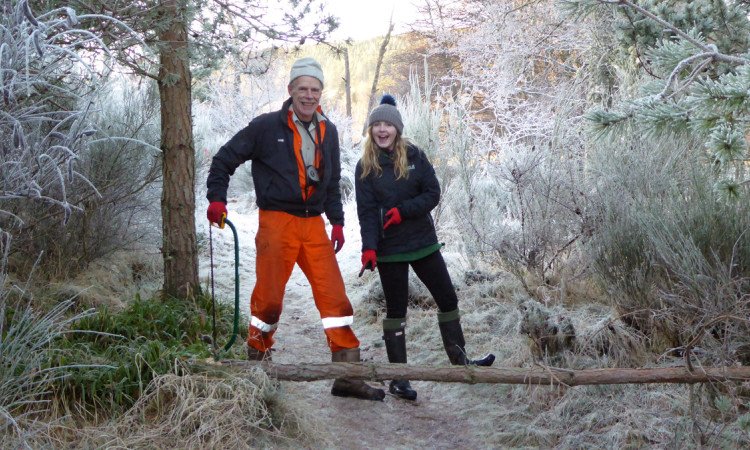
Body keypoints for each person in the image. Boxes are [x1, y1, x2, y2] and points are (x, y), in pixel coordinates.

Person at [206, 57, 385, 401]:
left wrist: (337, 222)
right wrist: (217, 199)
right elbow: (224, 159)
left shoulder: (328, 130)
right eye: (302, 88)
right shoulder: (265, 127)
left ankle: (347, 377)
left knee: (335, 300)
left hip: (314, 226)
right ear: (290, 90)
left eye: (315, 89)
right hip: (276, 223)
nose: (308, 95)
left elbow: (331, 181)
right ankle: (258, 365)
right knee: (269, 303)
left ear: (321, 93)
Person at [355, 95, 495, 401]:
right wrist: (369, 247)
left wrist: (403, 211)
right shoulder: (365, 166)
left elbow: (433, 192)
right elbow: (365, 211)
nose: (382, 130)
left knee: (447, 297)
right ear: (371, 129)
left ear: (397, 128)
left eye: (387, 125)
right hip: (390, 248)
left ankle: (461, 364)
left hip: (422, 241)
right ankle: (399, 379)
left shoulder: (415, 155)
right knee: (396, 310)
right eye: (376, 124)